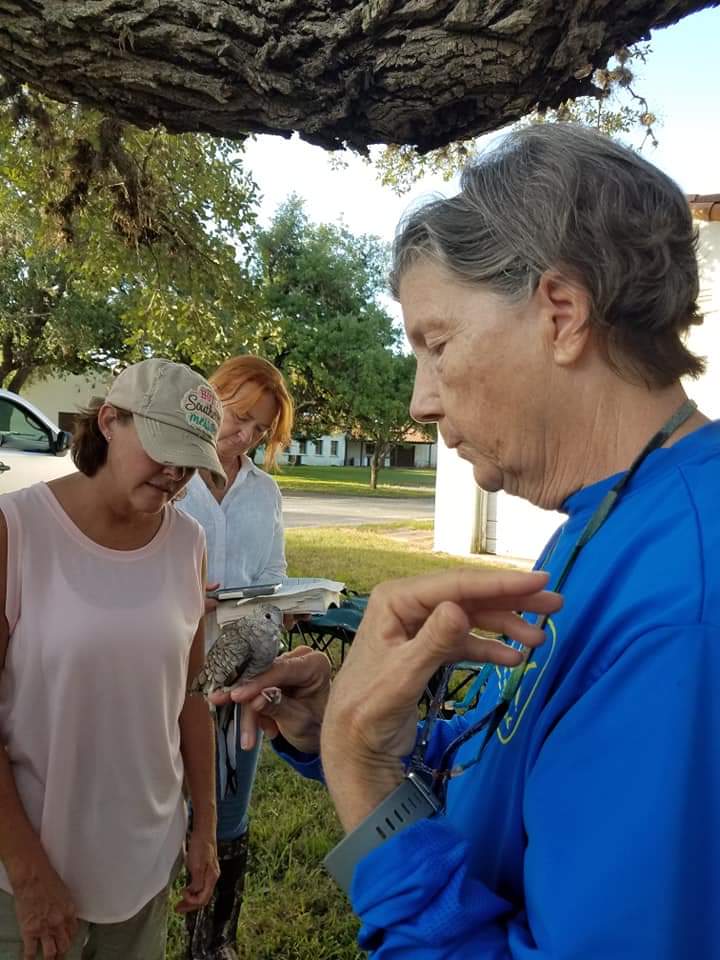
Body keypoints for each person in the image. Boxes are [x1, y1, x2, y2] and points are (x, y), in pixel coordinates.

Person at [216, 123, 720, 958]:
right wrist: (343, 725)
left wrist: (364, 774)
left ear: (561, 314)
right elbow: (514, 764)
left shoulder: (686, 600)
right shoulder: (610, 522)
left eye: (437, 344)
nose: (419, 402)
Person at [0, 358, 223, 960]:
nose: (176, 473)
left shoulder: (189, 543)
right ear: (108, 422)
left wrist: (204, 826)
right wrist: (26, 871)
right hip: (30, 874)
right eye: (163, 449)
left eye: (190, 461)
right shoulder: (17, 530)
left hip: (144, 867)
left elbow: (190, 695)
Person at [176, 354, 293, 960]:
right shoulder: (170, 476)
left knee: (229, 811)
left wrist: (274, 616)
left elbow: (275, 577)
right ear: (210, 397)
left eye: (259, 429)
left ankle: (215, 944)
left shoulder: (264, 491)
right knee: (165, 809)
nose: (244, 436)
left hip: (239, 671)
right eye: (239, 416)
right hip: (169, 670)